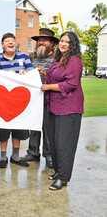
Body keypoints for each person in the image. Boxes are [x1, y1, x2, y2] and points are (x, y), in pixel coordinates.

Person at [41, 31, 84, 190]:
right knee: (54, 142)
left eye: (67, 42)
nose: (63, 44)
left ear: (73, 45)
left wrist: (48, 87)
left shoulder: (74, 60)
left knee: (64, 144)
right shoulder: (58, 59)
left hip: (69, 108)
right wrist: (44, 74)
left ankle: (64, 178)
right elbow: (55, 76)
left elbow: (71, 84)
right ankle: (59, 171)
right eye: (62, 41)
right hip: (54, 106)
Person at [0, 33, 33, 168]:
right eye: (7, 41)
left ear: (16, 43)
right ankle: (3, 157)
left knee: (18, 129)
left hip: (20, 100)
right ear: (2, 44)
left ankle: (15, 156)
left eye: (12, 41)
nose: (10, 43)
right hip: (2, 102)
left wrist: (26, 74)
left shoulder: (24, 57)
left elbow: (32, 74)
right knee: (3, 129)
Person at [22, 28, 59, 168]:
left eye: (44, 40)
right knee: (34, 127)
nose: (41, 42)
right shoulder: (31, 57)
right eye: (39, 40)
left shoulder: (57, 59)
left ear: (52, 43)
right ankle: (33, 152)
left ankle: (48, 155)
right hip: (33, 98)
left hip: (50, 98)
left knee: (48, 128)